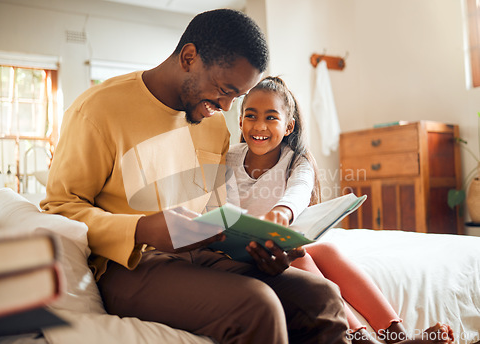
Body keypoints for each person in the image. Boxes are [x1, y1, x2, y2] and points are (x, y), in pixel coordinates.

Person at [41, 9, 351, 344]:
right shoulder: (97, 111)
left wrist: (256, 249)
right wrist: (142, 229)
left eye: (237, 96)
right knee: (258, 306)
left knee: (322, 297)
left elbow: (217, 208)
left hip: (204, 255)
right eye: (224, 89)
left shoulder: (214, 121)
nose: (229, 107)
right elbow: (60, 206)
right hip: (130, 265)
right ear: (189, 57)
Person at [225, 76, 455, 344]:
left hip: (279, 243)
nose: (259, 126)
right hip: (245, 253)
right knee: (300, 259)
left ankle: (396, 336)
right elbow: (227, 207)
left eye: (271, 118)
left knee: (327, 250)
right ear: (240, 121)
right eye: (251, 116)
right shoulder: (229, 157)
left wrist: (281, 213)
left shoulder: (298, 161)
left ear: (288, 126)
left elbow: (298, 192)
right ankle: (361, 339)